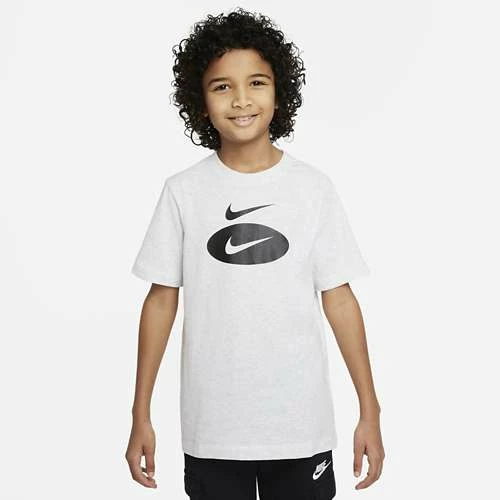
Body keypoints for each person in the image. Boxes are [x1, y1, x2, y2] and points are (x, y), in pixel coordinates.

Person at [125, 7, 384, 500]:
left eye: (256, 83)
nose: (241, 99)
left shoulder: (313, 189)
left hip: (301, 426)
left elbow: (340, 299)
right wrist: (141, 413)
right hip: (213, 430)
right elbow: (160, 301)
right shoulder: (184, 192)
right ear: (200, 102)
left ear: (279, 92)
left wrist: (369, 409)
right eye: (222, 86)